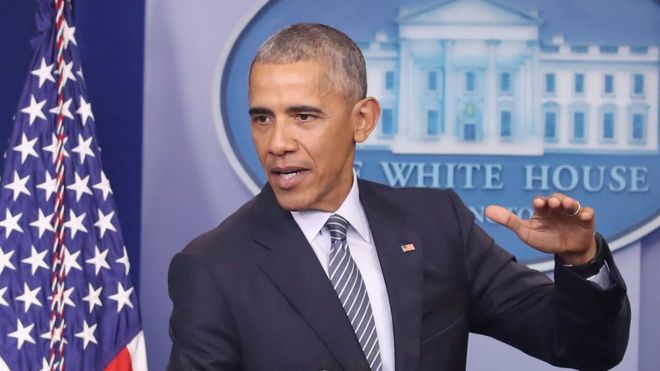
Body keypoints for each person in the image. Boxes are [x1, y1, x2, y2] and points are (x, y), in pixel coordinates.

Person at [167, 23, 630, 371]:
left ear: (362, 119)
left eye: (303, 116)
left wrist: (582, 260)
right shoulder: (214, 267)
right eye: (262, 118)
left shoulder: (437, 224)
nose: (277, 142)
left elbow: (585, 346)